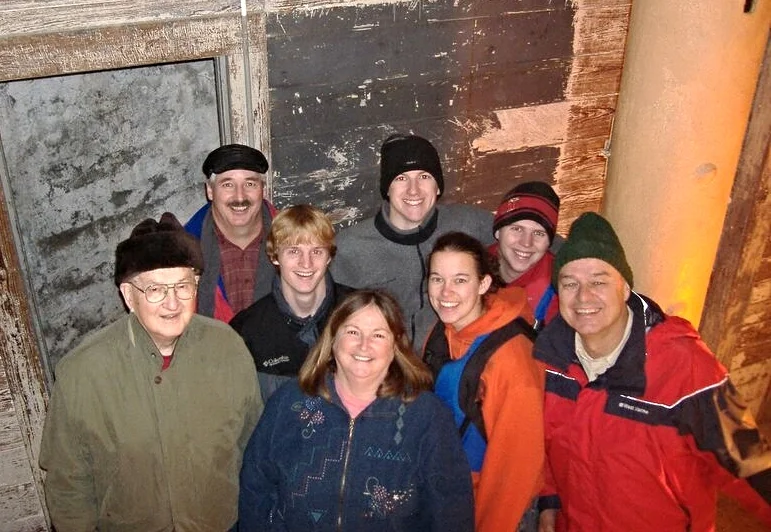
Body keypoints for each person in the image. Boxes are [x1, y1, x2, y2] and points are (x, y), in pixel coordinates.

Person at [535, 212, 771, 531]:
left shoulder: (684, 368)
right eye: (569, 283)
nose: (583, 296)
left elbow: (750, 466)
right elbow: (547, 445)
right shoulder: (552, 361)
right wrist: (550, 502)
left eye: (599, 281)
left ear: (624, 289)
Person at [39, 213, 262, 531]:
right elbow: (68, 483)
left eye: (183, 286)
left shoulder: (228, 348)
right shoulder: (83, 373)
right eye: (156, 289)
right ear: (129, 296)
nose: (173, 303)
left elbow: (254, 448)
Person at [238, 289, 475, 531]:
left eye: (378, 335)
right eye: (352, 332)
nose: (364, 345)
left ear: (395, 345)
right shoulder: (289, 402)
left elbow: (452, 510)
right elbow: (255, 487)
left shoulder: (428, 417)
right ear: (333, 339)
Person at [423, 231, 545, 532]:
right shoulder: (443, 330)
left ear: (483, 284)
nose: (445, 292)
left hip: (496, 509)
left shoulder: (511, 360)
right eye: (437, 279)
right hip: (448, 496)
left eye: (460, 280)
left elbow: (515, 469)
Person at [331, 133, 493, 351]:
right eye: (401, 178)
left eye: (424, 176)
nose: (413, 190)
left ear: (438, 187)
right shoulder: (350, 247)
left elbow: (525, 241)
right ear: (387, 189)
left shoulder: (470, 223)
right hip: (385, 363)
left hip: (459, 357)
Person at [231, 204, 352, 402]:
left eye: (317, 251)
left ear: (329, 257)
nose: (306, 263)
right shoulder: (247, 331)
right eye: (294, 251)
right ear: (275, 256)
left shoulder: (360, 314)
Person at [185, 143, 278, 323]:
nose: (240, 197)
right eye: (228, 185)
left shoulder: (293, 240)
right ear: (210, 191)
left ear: (263, 190)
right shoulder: (183, 251)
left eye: (250, 184)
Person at [491, 181, 560, 331]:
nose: (526, 243)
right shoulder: (472, 267)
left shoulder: (559, 288)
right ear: (498, 232)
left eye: (539, 233)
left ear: (549, 243)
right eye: (517, 229)